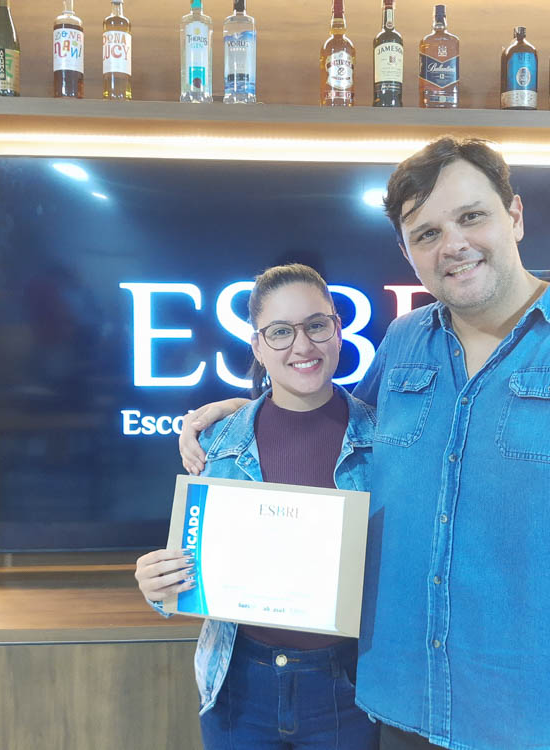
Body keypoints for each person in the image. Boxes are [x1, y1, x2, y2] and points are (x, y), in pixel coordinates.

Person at [178, 137, 550, 750]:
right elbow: (338, 434)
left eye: (471, 216)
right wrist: (246, 412)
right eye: (426, 233)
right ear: (407, 252)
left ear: (515, 215)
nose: (452, 244)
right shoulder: (404, 343)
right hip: (399, 718)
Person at [135, 263, 380, 750]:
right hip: (238, 684)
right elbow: (191, 566)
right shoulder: (218, 442)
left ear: (338, 330)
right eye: (281, 332)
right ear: (258, 347)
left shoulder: (387, 441)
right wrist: (158, 584)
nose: (303, 345)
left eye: (316, 325)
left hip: (350, 687)